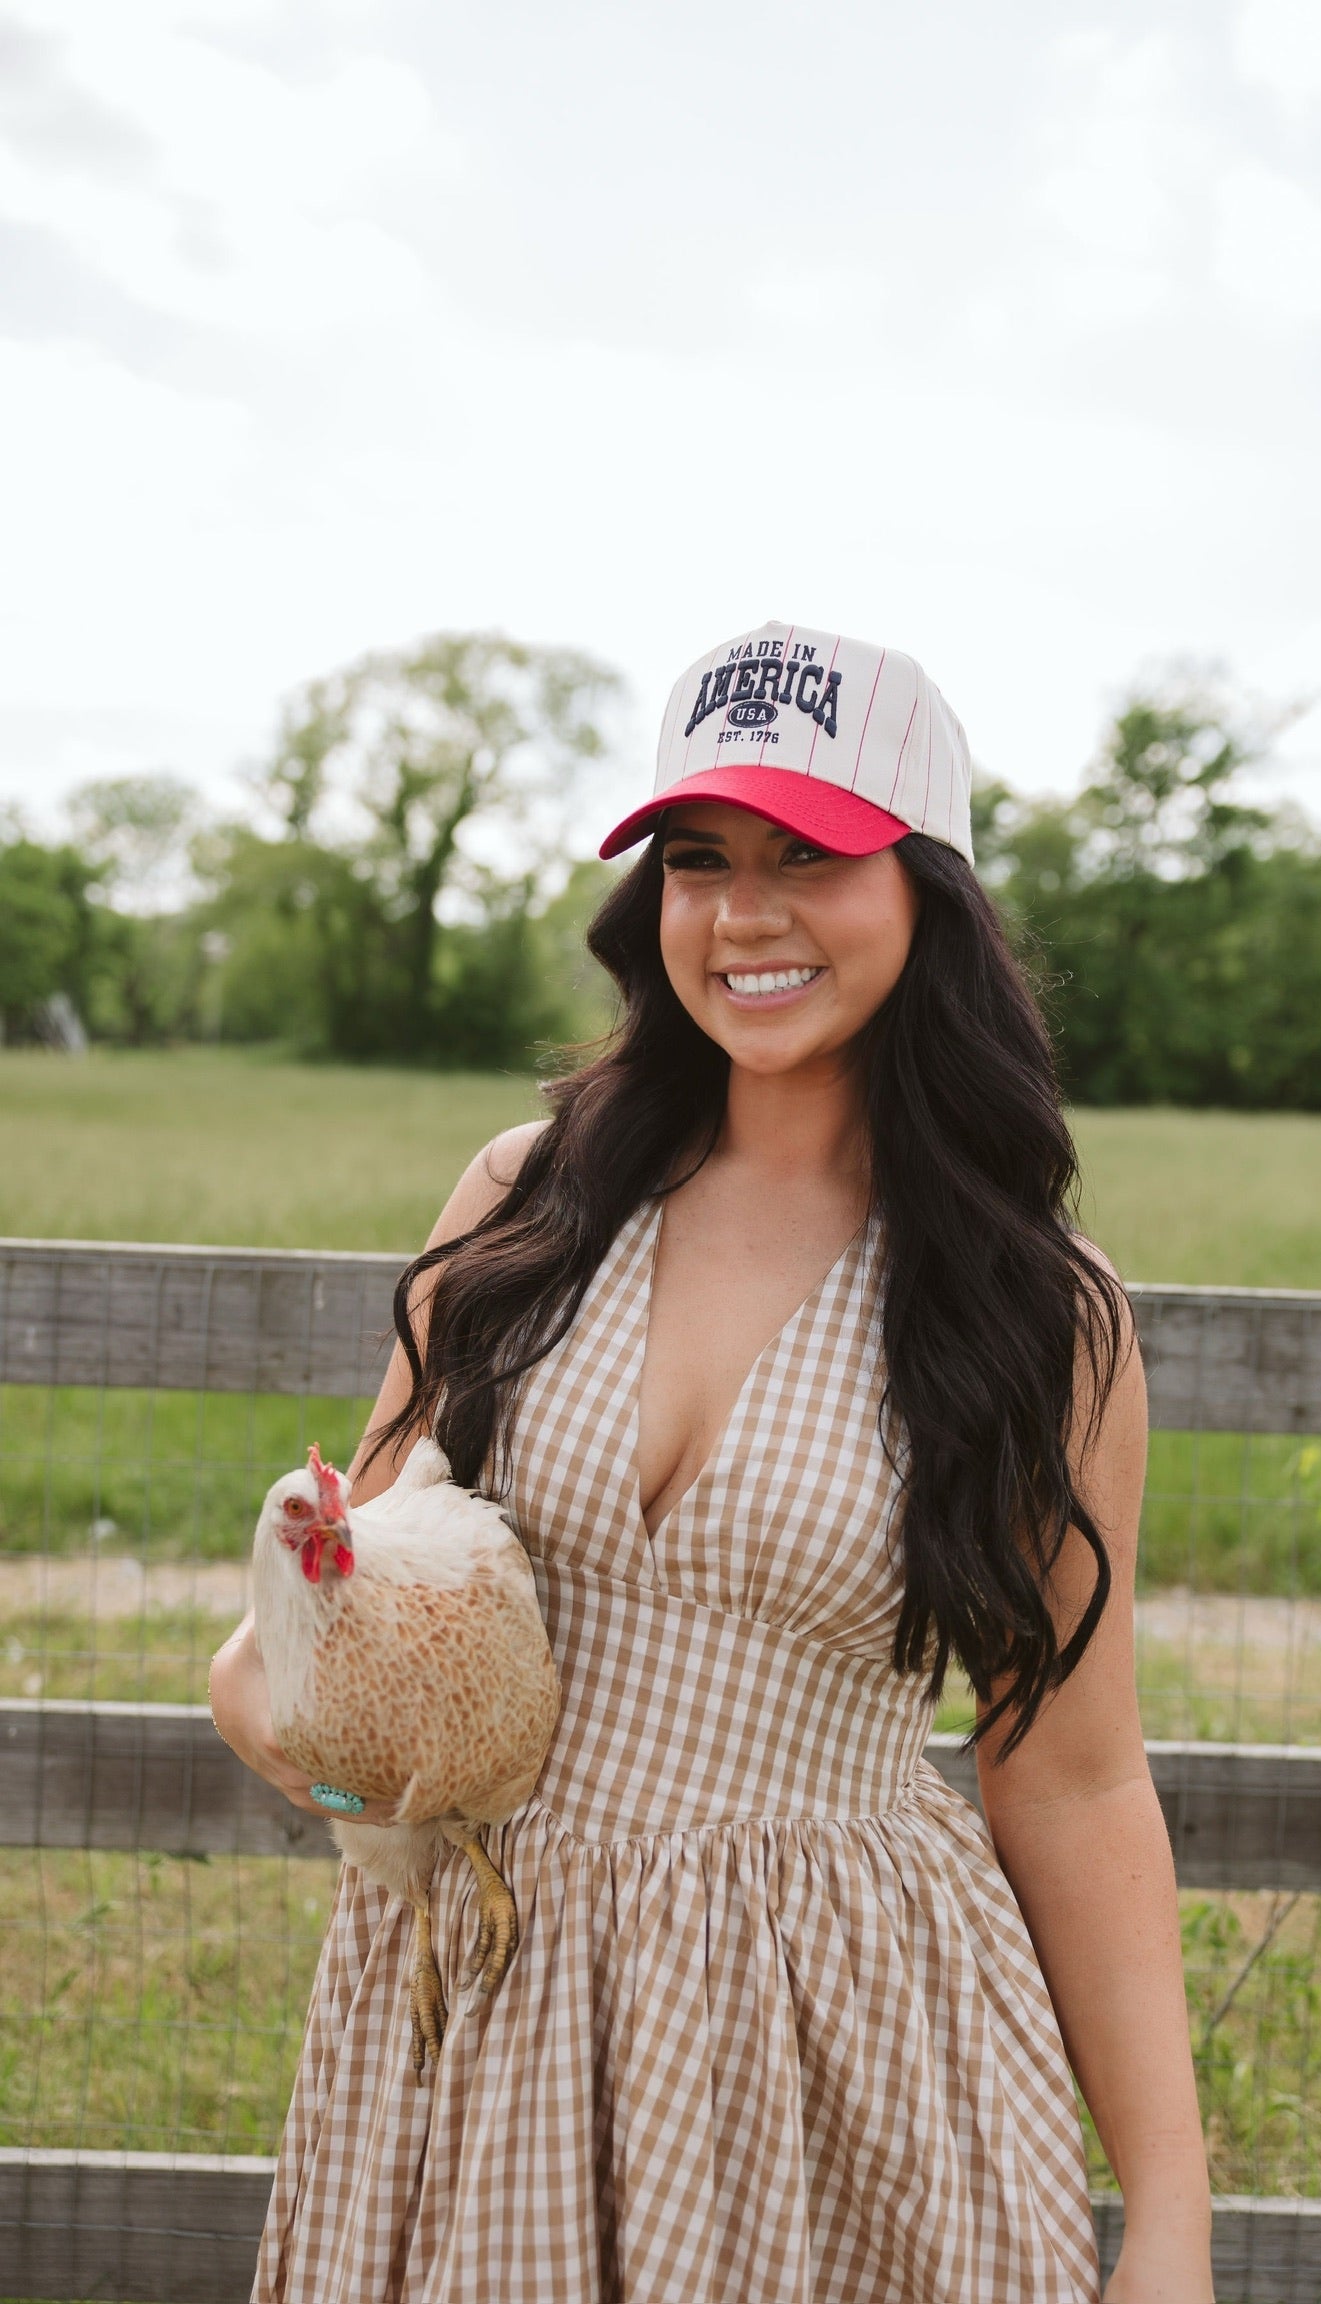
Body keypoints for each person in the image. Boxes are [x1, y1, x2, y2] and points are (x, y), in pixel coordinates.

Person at [210, 620, 1214, 2304]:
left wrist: (1171, 2221)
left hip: (829, 2025)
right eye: (699, 861)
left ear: (928, 892)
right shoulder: (527, 1201)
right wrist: (299, 1718)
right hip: (485, 1997)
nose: (745, 913)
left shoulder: (1037, 1311)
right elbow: (335, 1624)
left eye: (809, 856)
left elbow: (1076, 1776)